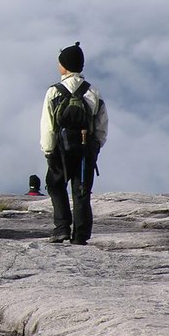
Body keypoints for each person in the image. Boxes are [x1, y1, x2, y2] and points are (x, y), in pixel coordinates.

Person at [40, 42, 108, 245]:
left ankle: (61, 229)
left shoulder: (54, 91)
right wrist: (96, 146)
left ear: (65, 66)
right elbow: (101, 124)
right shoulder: (93, 92)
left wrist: (48, 150)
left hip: (60, 148)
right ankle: (80, 235)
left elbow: (48, 125)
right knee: (81, 191)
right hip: (85, 148)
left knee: (55, 185)